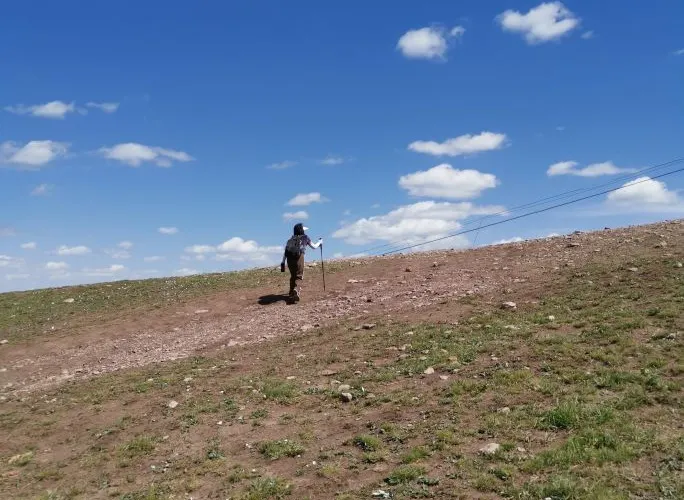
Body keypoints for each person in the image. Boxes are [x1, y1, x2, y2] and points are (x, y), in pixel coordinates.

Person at [281, 223, 322, 302]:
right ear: (302, 230)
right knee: (299, 276)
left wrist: (283, 262)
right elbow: (314, 247)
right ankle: (296, 290)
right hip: (299, 257)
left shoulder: (290, 240)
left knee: (293, 276)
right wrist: (320, 242)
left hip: (289, 259)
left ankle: (291, 293)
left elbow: (285, 252)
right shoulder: (305, 237)